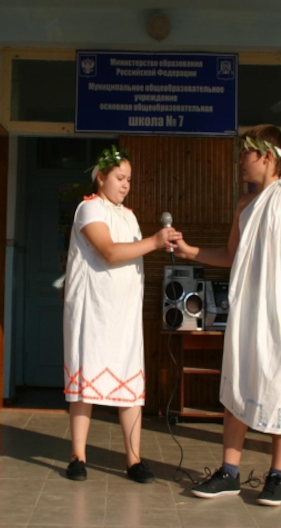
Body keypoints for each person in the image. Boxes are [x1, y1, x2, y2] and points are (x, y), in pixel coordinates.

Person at [170, 125, 281, 506]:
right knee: (238, 380)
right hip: (249, 309)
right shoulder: (244, 205)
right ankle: (230, 472)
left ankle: (278, 475)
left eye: (246, 153)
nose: (240, 160)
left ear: (268, 156)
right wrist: (190, 251)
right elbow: (231, 256)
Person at [63, 145, 179, 483]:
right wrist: (154, 241)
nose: (126, 184)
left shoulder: (128, 215)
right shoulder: (89, 209)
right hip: (93, 312)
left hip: (124, 315)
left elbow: (131, 253)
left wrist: (160, 242)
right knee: (85, 383)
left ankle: (134, 460)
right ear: (101, 178)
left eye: (129, 179)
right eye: (119, 177)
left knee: (130, 384)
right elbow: (110, 252)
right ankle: (78, 456)